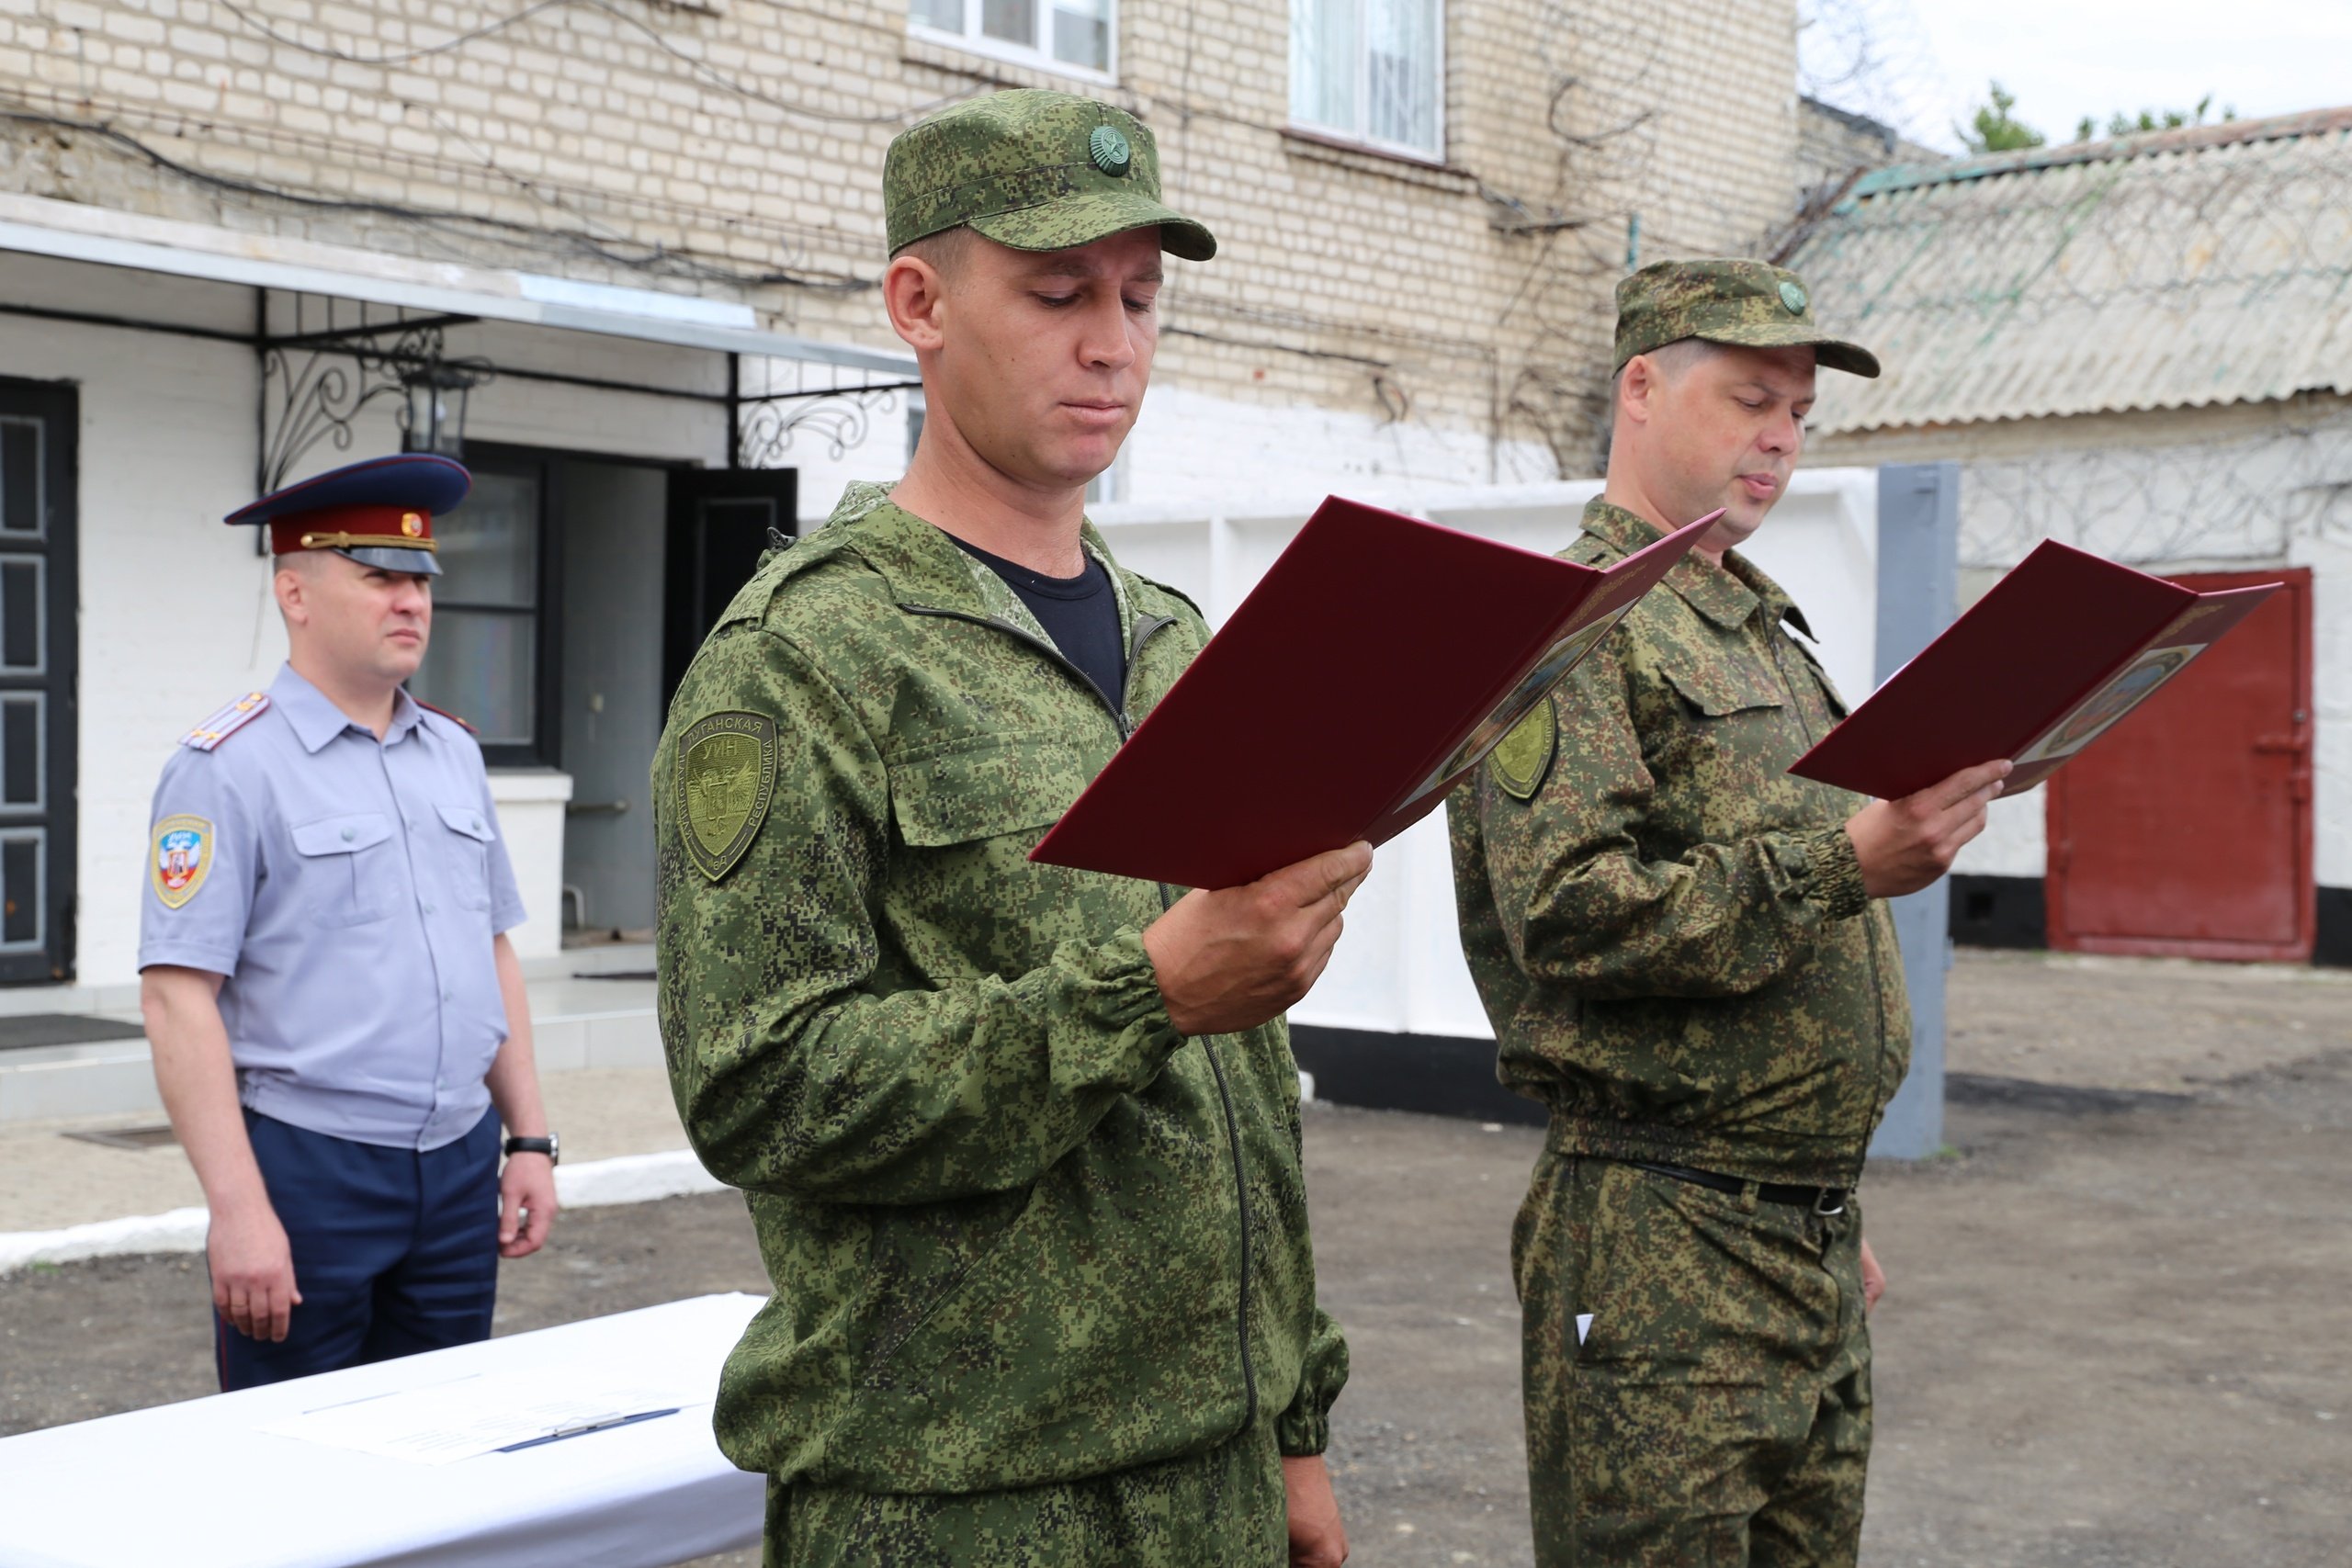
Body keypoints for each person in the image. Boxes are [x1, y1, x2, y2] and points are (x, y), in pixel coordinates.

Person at [654, 89, 1365, 1567]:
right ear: (918, 301)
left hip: (1212, 1473)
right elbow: (758, 1084)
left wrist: (1292, 1423)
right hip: (963, 1495)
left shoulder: (1177, 643)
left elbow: (1249, 1077)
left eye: (1140, 298)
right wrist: (1145, 990)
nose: (1113, 343)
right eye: (1057, 294)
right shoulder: (808, 652)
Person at [1448, 259, 2010, 1565]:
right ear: (1641, 388)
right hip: (1660, 1243)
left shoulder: (1753, 623)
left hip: (1797, 1228)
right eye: (1753, 395)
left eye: (1802, 413)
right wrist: (1844, 861)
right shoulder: (1573, 626)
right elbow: (1569, 914)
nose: (1782, 437)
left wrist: (1819, 1192)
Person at [139, 453, 557, 1392]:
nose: (410, 601)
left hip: (456, 1168)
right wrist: (237, 1209)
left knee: (440, 1455)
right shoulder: (227, 767)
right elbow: (175, 998)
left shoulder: (450, 753)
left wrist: (527, 1138)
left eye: (420, 580)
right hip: (311, 1172)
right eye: (379, 578)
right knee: (297, 1476)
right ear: (295, 591)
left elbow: (490, 948)